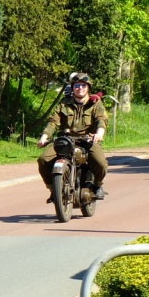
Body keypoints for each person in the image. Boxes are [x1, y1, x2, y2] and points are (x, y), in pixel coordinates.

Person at [37, 72, 109, 201]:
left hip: (88, 140)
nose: (80, 88)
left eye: (83, 85)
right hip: (66, 140)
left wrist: (99, 133)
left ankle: (98, 185)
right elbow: (53, 122)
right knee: (43, 160)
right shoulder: (64, 104)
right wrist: (44, 137)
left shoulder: (95, 104)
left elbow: (101, 120)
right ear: (72, 88)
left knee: (100, 163)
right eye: (77, 85)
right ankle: (54, 190)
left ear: (88, 88)